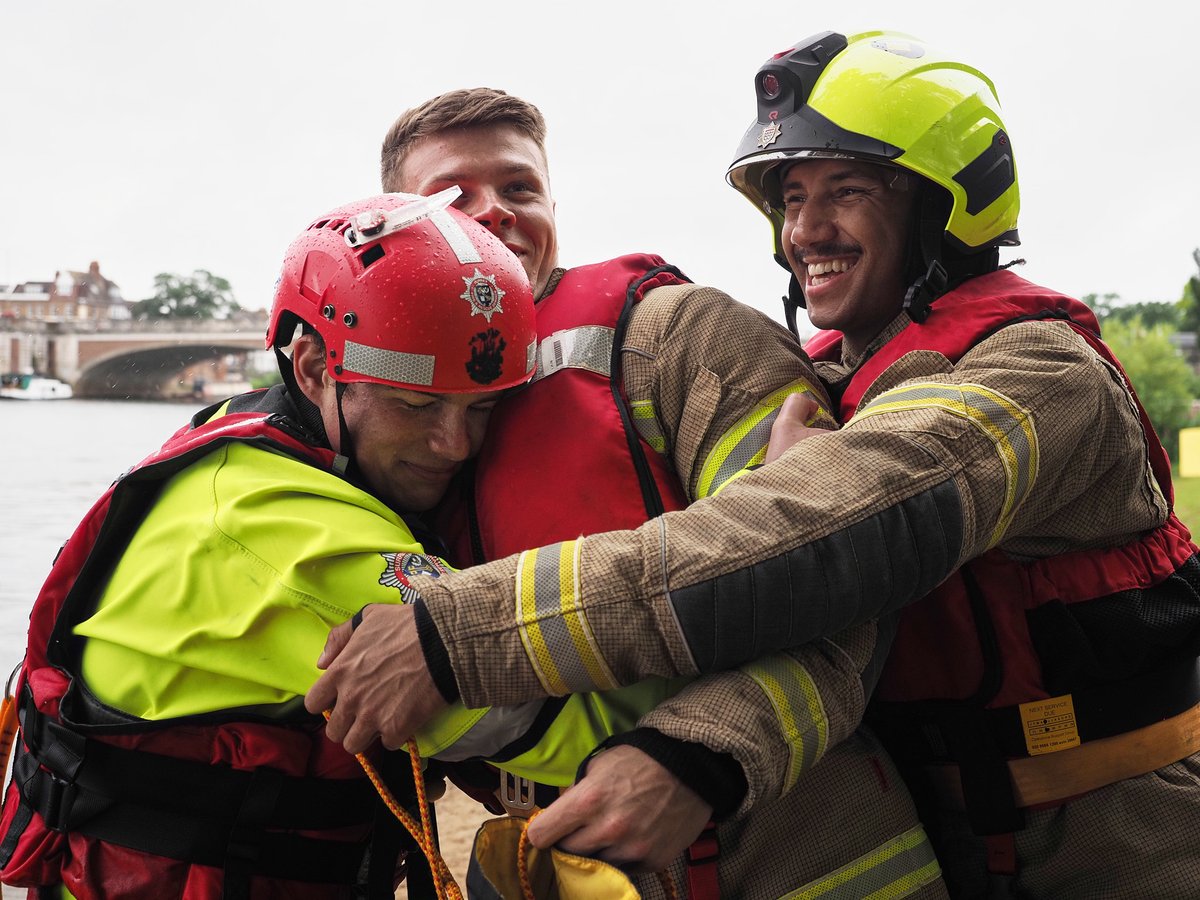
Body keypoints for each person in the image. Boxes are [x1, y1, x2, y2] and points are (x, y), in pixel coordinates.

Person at [308, 32, 1200, 898]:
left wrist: (452, 634)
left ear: (946, 201)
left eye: (846, 189)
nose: (805, 228)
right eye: (792, 196)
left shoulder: (1041, 374)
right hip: (959, 829)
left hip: (1113, 847)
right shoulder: (847, 380)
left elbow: (829, 534)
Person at [368, 87, 947, 898]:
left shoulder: (685, 338)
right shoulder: (371, 410)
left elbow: (835, 592)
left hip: (800, 858)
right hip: (555, 862)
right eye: (452, 197)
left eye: (520, 188)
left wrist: (692, 759)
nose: (494, 211)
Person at [0, 190, 539, 899]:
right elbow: (550, 727)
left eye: (485, 407)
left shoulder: (244, 443)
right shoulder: (296, 535)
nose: (456, 444)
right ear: (314, 368)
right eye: (417, 405)